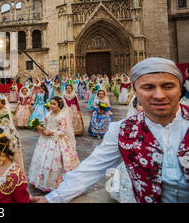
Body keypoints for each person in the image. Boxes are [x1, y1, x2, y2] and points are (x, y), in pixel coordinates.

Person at [32, 57, 189, 203]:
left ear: (180, 89)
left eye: (168, 86)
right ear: (135, 91)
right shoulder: (122, 130)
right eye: (148, 87)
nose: (159, 95)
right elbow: (91, 170)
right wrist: (52, 198)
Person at [28, 96, 79, 192]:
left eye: (54, 104)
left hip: (56, 141)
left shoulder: (62, 116)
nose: (51, 106)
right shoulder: (48, 114)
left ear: (59, 105)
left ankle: (55, 183)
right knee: (42, 159)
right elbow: (44, 123)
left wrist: (51, 132)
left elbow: (62, 131)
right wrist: (40, 127)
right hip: (45, 140)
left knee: (54, 161)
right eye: (51, 103)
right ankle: (41, 180)